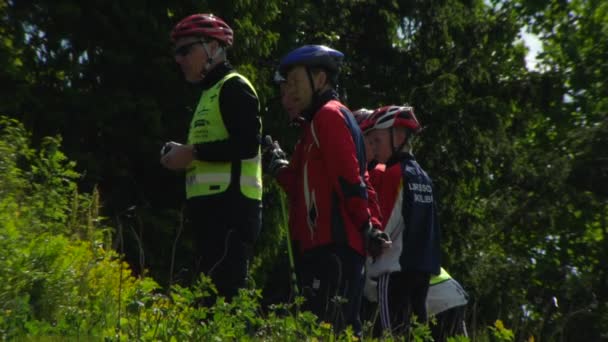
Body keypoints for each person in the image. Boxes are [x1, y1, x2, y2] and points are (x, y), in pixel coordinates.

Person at [263, 45, 388, 336]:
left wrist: (366, 226)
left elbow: (349, 179)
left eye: (294, 83)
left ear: (319, 79)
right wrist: (277, 165)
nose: (289, 94)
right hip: (323, 248)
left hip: (334, 247)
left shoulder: (328, 116)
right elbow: (299, 186)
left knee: (333, 329)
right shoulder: (312, 127)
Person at [160, 13, 262, 301]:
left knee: (225, 304)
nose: (179, 59)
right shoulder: (209, 94)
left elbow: (246, 144)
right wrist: (179, 154)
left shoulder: (234, 86)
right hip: (210, 215)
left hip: (231, 212)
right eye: (176, 52)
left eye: (185, 50)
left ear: (213, 47)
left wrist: (191, 153)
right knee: (208, 305)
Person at [364, 105, 441, 335]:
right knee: (417, 333)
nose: (374, 149)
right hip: (422, 271)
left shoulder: (393, 174)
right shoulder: (423, 177)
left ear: (397, 136)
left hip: (395, 272)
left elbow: (384, 222)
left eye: (377, 141)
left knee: (391, 334)